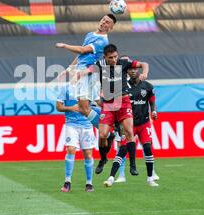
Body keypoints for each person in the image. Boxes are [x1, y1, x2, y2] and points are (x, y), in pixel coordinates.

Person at [81, 44, 149, 187]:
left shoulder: (123, 63)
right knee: (103, 135)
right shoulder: (99, 64)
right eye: (111, 57)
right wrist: (77, 75)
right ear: (105, 57)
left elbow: (144, 64)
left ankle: (133, 165)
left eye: (115, 56)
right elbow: (88, 70)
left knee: (129, 132)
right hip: (108, 105)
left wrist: (145, 72)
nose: (114, 59)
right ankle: (103, 158)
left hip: (123, 102)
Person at [55, 14, 117, 129]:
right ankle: (112, 123)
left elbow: (83, 50)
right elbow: (80, 55)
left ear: (111, 27)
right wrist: (68, 69)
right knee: (86, 107)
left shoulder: (103, 41)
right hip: (81, 70)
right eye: (103, 19)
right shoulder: (90, 34)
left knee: (84, 108)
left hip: (87, 72)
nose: (104, 22)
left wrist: (65, 46)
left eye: (107, 22)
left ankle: (110, 128)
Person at [114, 61, 160, 187]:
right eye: (130, 70)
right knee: (123, 149)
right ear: (127, 72)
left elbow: (152, 102)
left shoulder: (148, 86)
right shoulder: (124, 88)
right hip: (129, 124)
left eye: (135, 69)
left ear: (138, 71)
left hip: (144, 122)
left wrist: (154, 111)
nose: (133, 71)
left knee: (147, 147)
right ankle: (117, 175)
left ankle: (151, 178)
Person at [56, 82, 98, 193]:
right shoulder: (65, 88)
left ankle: (89, 183)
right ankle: (67, 182)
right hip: (71, 124)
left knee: (88, 153)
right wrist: (71, 108)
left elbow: (97, 105)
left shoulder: (90, 88)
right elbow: (58, 107)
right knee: (70, 149)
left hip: (87, 125)